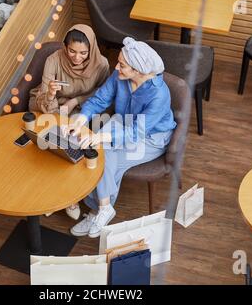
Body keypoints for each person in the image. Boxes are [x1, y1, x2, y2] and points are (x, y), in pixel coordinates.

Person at [65, 37, 177, 238]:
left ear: (138, 70)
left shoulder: (159, 95)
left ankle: (97, 210)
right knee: (99, 154)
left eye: (122, 65)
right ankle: (103, 208)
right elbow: (100, 99)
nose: (116, 67)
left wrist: (102, 137)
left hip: (151, 137)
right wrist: (82, 118)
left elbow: (137, 132)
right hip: (121, 122)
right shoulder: (118, 76)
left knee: (106, 159)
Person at [29, 24, 110, 220]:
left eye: (83, 53)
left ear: (91, 49)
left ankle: (68, 196)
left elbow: (103, 94)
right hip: (48, 104)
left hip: (83, 107)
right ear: (65, 47)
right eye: (72, 51)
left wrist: (76, 100)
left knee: (71, 144)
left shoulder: (102, 64)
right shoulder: (53, 60)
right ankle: (51, 192)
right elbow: (44, 99)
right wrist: (51, 94)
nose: (77, 57)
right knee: (50, 143)